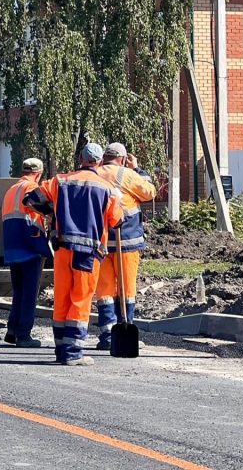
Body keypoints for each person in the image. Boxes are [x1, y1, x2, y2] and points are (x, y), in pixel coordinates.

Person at [24, 143, 124, 366]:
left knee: (62, 296)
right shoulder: (107, 188)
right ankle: (73, 353)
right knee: (81, 298)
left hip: (62, 247)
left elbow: (30, 200)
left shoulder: (60, 181)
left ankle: (61, 349)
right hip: (88, 252)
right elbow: (117, 220)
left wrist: (53, 212)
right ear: (99, 162)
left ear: (80, 158)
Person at [94, 142, 156, 350]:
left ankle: (107, 336)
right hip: (126, 243)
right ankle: (126, 328)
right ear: (122, 159)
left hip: (100, 243)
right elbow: (149, 192)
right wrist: (137, 169)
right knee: (127, 288)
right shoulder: (128, 175)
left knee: (104, 290)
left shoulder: (95, 173)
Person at [0, 157, 50, 348]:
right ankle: (23, 335)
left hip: (12, 246)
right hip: (29, 245)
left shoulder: (11, 190)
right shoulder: (30, 188)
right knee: (30, 293)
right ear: (38, 173)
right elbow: (42, 208)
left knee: (19, 291)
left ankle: (12, 330)